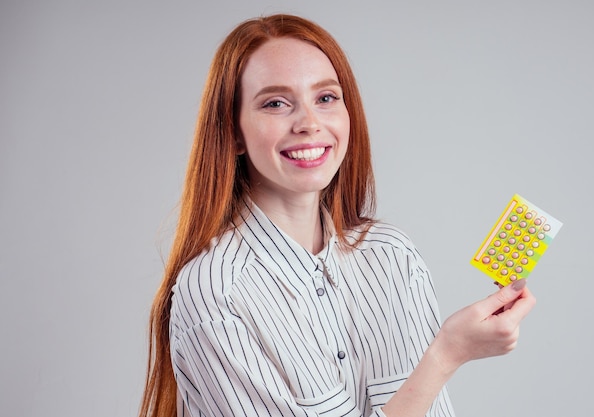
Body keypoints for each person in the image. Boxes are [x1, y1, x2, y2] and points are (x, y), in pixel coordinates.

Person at [139, 14, 536, 417]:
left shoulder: (393, 256)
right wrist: (446, 355)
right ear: (234, 131)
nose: (310, 124)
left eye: (326, 98)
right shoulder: (217, 292)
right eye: (276, 103)